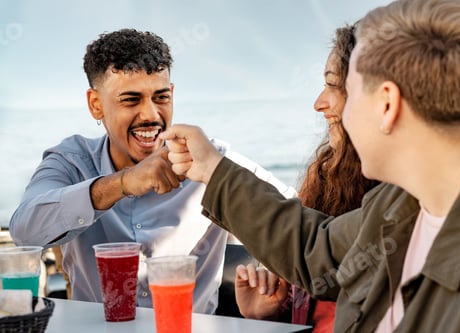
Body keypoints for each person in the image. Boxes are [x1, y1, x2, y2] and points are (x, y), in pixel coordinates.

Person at [162, 0, 460, 331]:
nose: (328, 107)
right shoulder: (401, 202)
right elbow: (315, 249)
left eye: (348, 91)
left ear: (387, 104)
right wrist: (212, 169)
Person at [9, 28, 295, 314]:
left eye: (160, 98)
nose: (150, 115)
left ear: (172, 94)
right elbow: (25, 231)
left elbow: (293, 214)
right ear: (96, 105)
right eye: (130, 100)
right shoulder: (71, 160)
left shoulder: (209, 159)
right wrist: (122, 184)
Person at [234, 23, 378, 333]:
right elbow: (312, 299)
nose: (319, 103)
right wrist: (270, 311)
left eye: (332, 84)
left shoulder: (399, 203)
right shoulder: (330, 175)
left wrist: (213, 170)